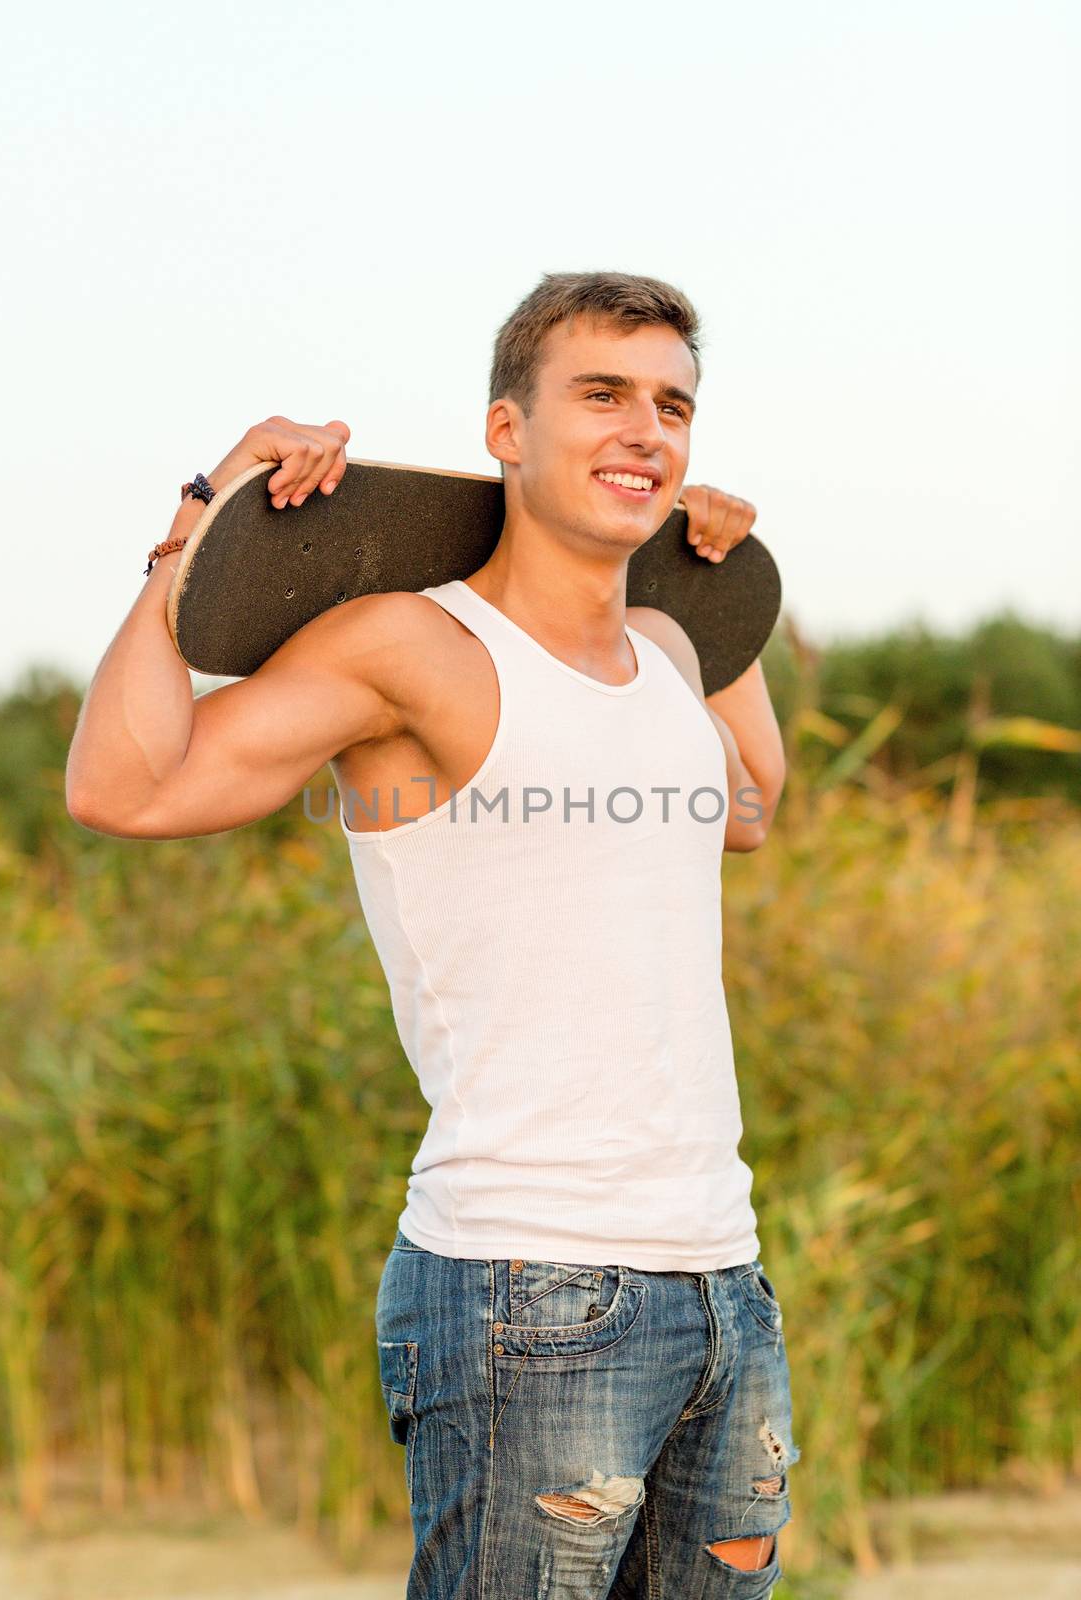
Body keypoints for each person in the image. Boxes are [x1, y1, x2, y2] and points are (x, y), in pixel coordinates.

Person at [66, 270, 799, 1597]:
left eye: (672, 405)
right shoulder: (412, 647)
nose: (647, 428)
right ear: (506, 431)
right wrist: (198, 524)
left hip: (723, 1284)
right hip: (535, 1287)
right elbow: (127, 787)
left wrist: (721, 599)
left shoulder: (664, 658)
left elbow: (745, 807)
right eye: (602, 394)